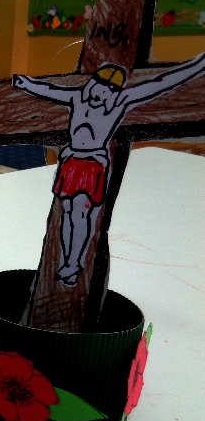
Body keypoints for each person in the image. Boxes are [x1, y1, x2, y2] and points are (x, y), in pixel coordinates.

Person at [14, 53, 205, 285]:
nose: (101, 92)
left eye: (108, 89)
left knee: (81, 213)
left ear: (114, 92)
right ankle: (67, 262)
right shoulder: (77, 98)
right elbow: (50, 90)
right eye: (99, 86)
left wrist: (197, 66)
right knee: (68, 213)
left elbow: (159, 84)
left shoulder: (120, 103)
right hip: (71, 161)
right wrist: (26, 84)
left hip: (93, 163)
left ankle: (74, 263)